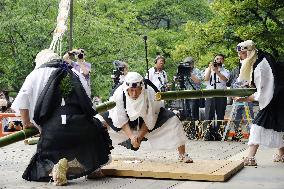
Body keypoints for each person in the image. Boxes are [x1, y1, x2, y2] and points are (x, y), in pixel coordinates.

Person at [11, 49, 112, 185]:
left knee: (47, 151)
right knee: (96, 132)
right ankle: (93, 168)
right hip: (81, 127)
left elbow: (22, 99)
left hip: (52, 131)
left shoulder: (35, 74)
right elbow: (87, 97)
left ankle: (55, 169)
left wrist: (26, 122)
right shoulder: (74, 72)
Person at [96, 72, 193, 163]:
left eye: (137, 90)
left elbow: (150, 118)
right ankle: (102, 157)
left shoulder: (150, 93)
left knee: (173, 120)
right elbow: (120, 118)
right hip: (126, 126)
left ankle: (182, 154)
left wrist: (139, 136)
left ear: (141, 88)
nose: (134, 94)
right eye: (131, 90)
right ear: (126, 89)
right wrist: (131, 137)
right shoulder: (119, 94)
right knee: (98, 120)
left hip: (146, 124)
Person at [234, 40, 284, 166]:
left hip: (275, 97)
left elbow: (264, 93)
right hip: (276, 96)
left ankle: (250, 157)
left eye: (243, 53)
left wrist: (244, 98)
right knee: (278, 126)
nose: (240, 57)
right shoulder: (256, 60)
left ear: (249, 52)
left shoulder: (261, 64)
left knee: (258, 126)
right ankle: (282, 154)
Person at [203, 54, 230, 141]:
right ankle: (208, 134)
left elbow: (225, 79)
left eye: (221, 59)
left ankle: (219, 134)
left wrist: (217, 71)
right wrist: (210, 69)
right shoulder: (208, 69)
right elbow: (206, 79)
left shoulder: (225, 70)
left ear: (223, 61)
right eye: (217, 59)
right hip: (210, 95)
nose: (219, 60)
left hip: (221, 95)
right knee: (208, 115)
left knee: (220, 115)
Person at [182, 57, 203, 121]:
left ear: (192, 64)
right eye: (186, 64)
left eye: (189, 64)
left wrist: (189, 73)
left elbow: (198, 81)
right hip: (185, 94)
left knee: (194, 114)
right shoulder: (183, 70)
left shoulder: (197, 71)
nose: (187, 65)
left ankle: (195, 127)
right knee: (186, 114)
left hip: (194, 95)